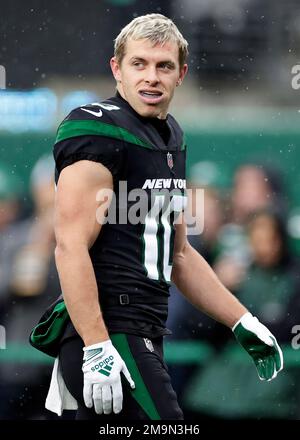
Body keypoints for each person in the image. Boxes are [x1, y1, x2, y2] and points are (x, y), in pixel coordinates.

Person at [30, 13, 283, 420]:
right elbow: (69, 245)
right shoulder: (97, 129)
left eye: (163, 66)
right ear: (117, 68)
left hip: (144, 331)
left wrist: (241, 320)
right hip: (110, 333)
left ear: (181, 73)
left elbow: (179, 254)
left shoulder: (170, 137)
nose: (151, 77)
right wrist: (96, 346)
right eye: (139, 63)